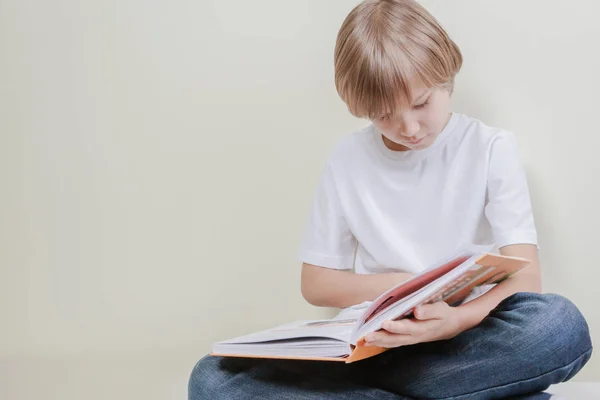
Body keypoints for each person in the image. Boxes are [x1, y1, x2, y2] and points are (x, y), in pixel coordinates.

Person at [189, 1, 592, 398]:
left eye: (421, 103)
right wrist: (408, 290)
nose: (410, 127)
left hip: (465, 337)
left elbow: (527, 280)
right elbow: (316, 283)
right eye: (384, 115)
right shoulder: (347, 159)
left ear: (446, 76)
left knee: (559, 325)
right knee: (212, 378)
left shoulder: (490, 148)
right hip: (376, 347)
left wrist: (452, 320)